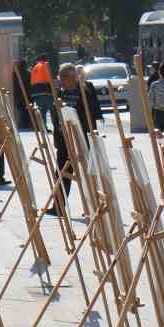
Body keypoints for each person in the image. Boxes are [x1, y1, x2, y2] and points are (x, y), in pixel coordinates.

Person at [46, 62, 104, 216]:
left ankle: (93, 205)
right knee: (61, 172)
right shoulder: (61, 93)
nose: (61, 81)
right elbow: (55, 115)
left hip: (81, 138)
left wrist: (93, 134)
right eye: (60, 78)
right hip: (64, 140)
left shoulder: (85, 90)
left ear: (71, 78)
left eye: (63, 78)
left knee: (87, 174)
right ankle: (58, 206)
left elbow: (94, 113)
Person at [29, 55, 55, 121]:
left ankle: (44, 129)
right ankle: (56, 127)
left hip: (35, 92)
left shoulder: (34, 67)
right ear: (45, 59)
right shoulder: (45, 65)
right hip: (45, 91)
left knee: (42, 111)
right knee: (53, 110)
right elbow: (49, 79)